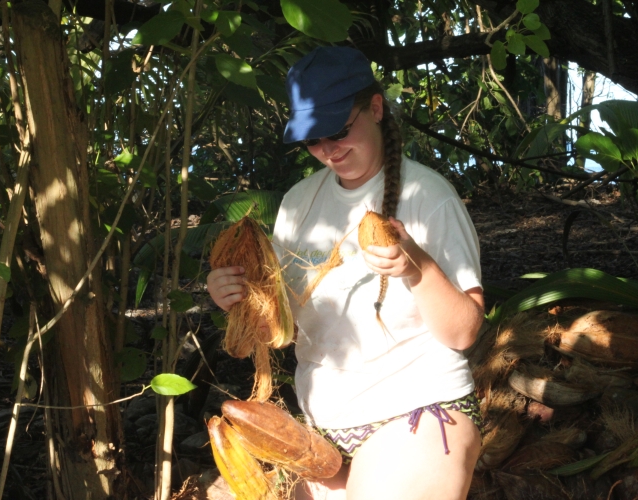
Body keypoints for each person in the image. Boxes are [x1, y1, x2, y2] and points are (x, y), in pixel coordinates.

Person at [207, 46, 485, 500]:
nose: (328, 150)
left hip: (415, 410)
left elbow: (464, 332)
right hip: (321, 429)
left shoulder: (428, 195)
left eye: (337, 131)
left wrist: (418, 267)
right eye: (313, 140)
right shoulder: (299, 203)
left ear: (375, 108)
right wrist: (236, 300)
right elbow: (285, 329)